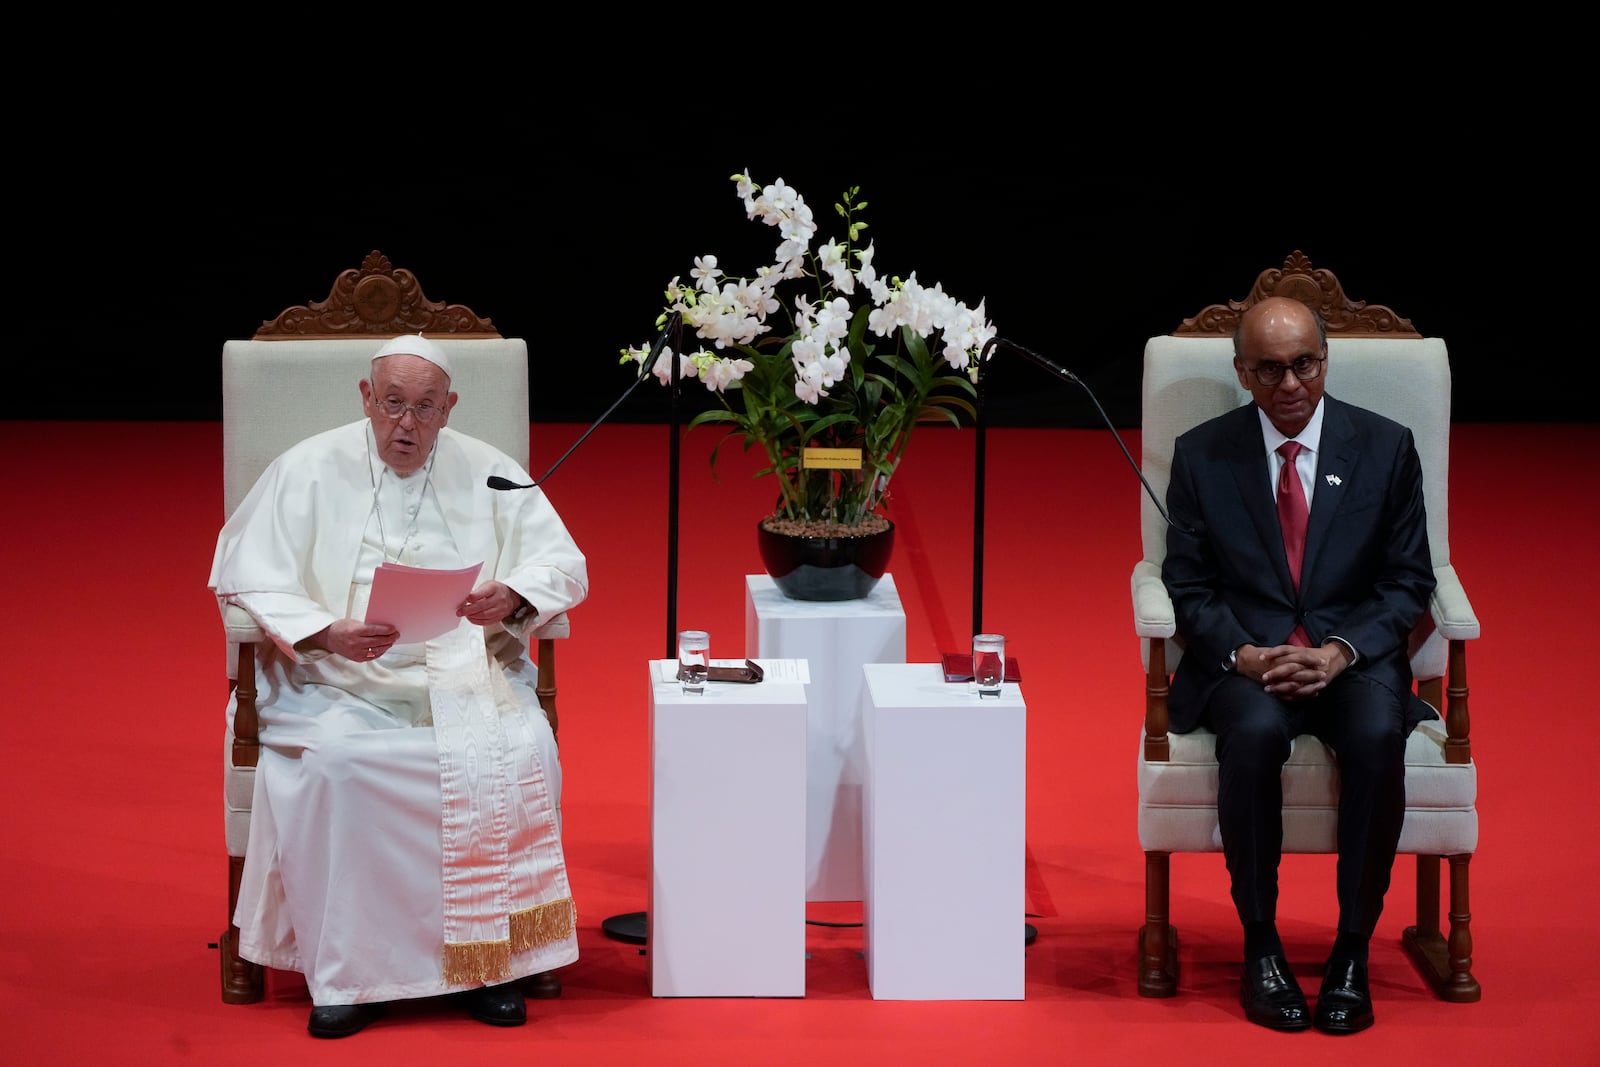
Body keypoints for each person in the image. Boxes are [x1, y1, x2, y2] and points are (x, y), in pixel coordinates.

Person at [209, 333, 588, 1038]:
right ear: (365, 398)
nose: (405, 425)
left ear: (448, 408)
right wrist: (326, 629)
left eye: (422, 408)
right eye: (391, 405)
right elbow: (242, 570)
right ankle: (350, 978)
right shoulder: (308, 469)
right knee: (341, 766)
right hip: (336, 678)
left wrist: (510, 595)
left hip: (466, 671)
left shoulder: (491, 471)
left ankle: (490, 965)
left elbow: (564, 565)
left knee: (517, 750)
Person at [1161, 296, 1435, 1035]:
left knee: (1379, 735)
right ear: (1242, 371)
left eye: (1304, 364)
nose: (1290, 384)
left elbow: (1409, 579)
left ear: (1325, 359)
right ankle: (1260, 941)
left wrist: (1340, 652)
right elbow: (1186, 585)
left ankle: (1352, 948)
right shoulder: (1202, 453)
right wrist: (1243, 654)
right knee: (1249, 737)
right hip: (1251, 662)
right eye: (1270, 369)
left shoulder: (1384, 447)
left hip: (1352, 655)